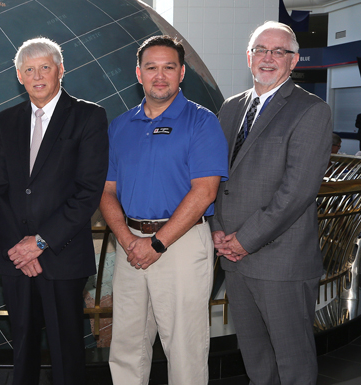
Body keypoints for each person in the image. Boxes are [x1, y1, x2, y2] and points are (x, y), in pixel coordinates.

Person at [100, 35, 228, 384]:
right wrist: (128, 240)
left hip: (181, 243)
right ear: (138, 74)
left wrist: (156, 243)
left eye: (168, 68)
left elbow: (204, 192)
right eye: (151, 67)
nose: (160, 75)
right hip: (130, 246)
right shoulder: (120, 126)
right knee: (126, 344)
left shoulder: (202, 122)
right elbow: (107, 191)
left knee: (184, 346)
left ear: (182, 73)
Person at [210, 21, 331, 384]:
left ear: (294, 61)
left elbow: (297, 192)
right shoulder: (230, 109)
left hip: (282, 261)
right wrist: (217, 230)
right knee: (257, 359)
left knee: (292, 362)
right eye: (261, 50)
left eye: (279, 51)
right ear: (249, 58)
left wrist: (245, 239)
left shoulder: (311, 110)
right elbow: (213, 177)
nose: (268, 58)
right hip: (233, 257)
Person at [0, 37, 109, 385]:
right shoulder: (6, 120)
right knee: (22, 347)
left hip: (62, 255)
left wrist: (39, 242)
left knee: (66, 351)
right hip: (17, 259)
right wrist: (20, 249)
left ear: (60, 70)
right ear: (19, 76)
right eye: (29, 69)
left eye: (45, 67)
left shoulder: (88, 116)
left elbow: (88, 191)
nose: (37, 75)